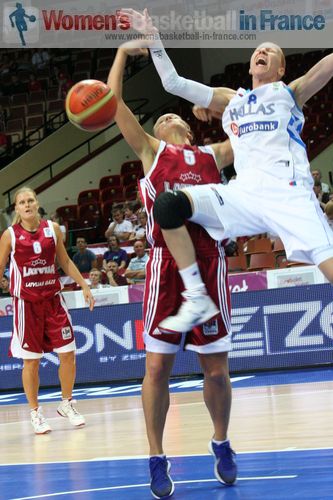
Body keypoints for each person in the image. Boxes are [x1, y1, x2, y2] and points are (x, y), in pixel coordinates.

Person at [122, 9, 333, 332]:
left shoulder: (288, 93)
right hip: (243, 194)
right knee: (170, 205)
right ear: (250, 66)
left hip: (288, 193)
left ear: (281, 68)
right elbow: (173, 83)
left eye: (271, 51)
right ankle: (197, 297)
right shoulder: (231, 100)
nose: (262, 52)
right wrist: (154, 40)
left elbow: (325, 68)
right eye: (258, 50)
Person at [107, 47, 236, 499]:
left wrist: (216, 103)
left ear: (188, 124)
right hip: (165, 271)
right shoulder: (151, 152)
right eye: (158, 120)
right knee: (157, 366)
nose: (164, 120)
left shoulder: (212, 156)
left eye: (171, 117)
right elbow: (113, 102)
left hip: (209, 262)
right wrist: (123, 53)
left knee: (216, 371)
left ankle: (221, 442)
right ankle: (156, 456)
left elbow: (255, 122)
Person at [0, 187, 95, 435]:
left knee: (68, 353)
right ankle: (35, 412)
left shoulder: (52, 229)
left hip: (53, 300)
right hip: (27, 305)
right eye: (22, 202)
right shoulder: (9, 235)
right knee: (31, 361)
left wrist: (84, 285)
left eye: (30, 200)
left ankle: (67, 403)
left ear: (37, 203)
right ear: (17, 209)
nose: (27, 204)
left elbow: (64, 260)